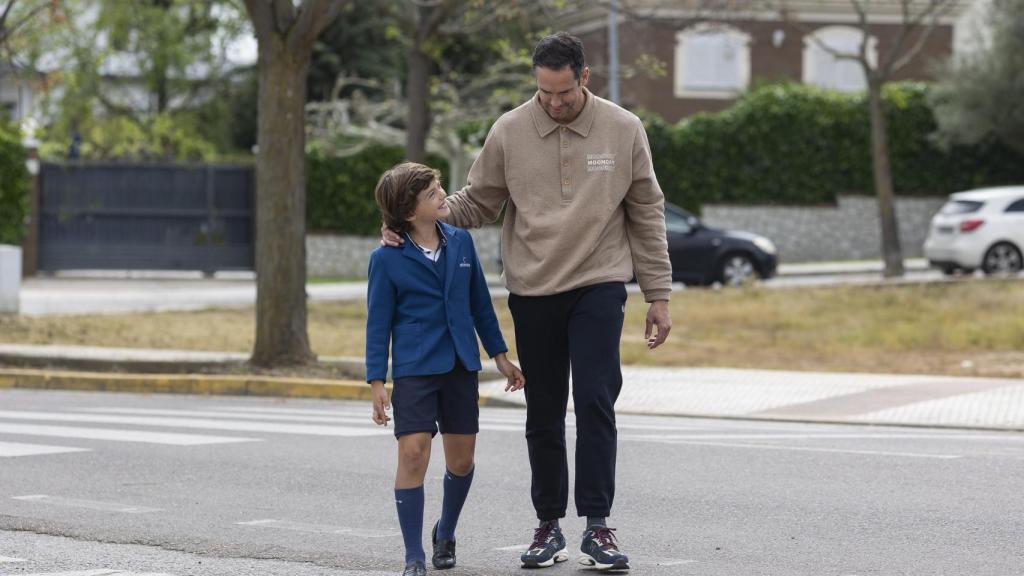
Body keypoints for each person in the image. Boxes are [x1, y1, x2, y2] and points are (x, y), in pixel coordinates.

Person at [381, 32, 673, 571]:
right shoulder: (511, 130)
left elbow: (646, 213)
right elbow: (476, 203)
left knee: (594, 399)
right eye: (545, 93)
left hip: (599, 282)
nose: (554, 103)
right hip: (533, 289)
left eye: (563, 93)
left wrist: (658, 294)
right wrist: (409, 218)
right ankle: (547, 525)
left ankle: (598, 526)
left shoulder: (624, 128)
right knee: (542, 411)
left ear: (584, 77)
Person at [366, 162, 526, 576]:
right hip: (415, 367)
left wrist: (501, 356)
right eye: (432, 192)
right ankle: (413, 556)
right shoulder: (385, 258)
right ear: (407, 211)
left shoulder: (461, 242)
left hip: (460, 364)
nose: (443, 195)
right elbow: (377, 322)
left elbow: (479, 306)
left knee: (460, 461)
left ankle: (446, 531)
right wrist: (376, 382)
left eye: (439, 187)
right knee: (414, 452)